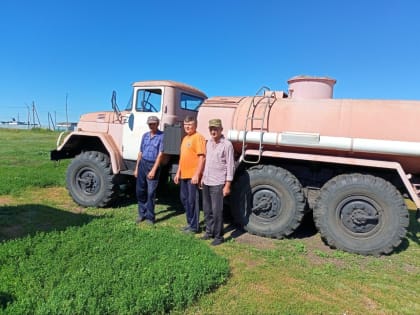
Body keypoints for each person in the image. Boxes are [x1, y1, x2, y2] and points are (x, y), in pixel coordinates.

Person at [201, 119, 235, 246]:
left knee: (217, 211)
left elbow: (230, 166)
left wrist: (227, 185)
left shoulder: (227, 145)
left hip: (218, 182)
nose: (213, 131)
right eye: (211, 129)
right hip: (207, 180)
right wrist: (202, 178)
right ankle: (209, 232)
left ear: (221, 129)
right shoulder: (208, 143)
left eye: (216, 129)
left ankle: (219, 236)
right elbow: (206, 162)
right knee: (207, 209)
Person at [174, 116, 206, 233]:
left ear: (195, 125)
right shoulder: (185, 139)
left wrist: (197, 174)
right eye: (185, 125)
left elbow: (202, 158)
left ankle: (194, 227)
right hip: (184, 175)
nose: (187, 127)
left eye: (190, 125)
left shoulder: (198, 138)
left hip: (193, 176)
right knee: (184, 199)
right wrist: (178, 173)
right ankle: (189, 223)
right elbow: (182, 158)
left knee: (192, 201)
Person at [134, 115, 164, 225]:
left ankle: (150, 217)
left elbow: (160, 155)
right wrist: (137, 168)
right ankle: (142, 214)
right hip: (143, 164)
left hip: (153, 165)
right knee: (140, 191)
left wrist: (154, 170)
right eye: (150, 124)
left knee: (151, 192)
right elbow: (140, 152)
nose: (152, 126)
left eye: (154, 124)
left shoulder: (162, 136)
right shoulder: (145, 136)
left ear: (158, 124)